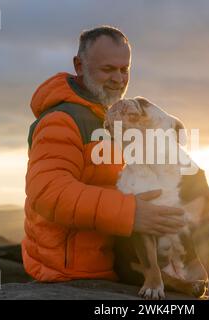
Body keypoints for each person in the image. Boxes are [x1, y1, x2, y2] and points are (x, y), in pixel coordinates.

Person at [22, 25, 185, 281]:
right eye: (108, 69)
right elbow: (48, 193)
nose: (119, 79)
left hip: (116, 266)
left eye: (124, 69)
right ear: (79, 65)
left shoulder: (118, 118)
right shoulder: (61, 120)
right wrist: (131, 213)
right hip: (71, 274)